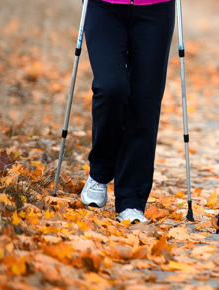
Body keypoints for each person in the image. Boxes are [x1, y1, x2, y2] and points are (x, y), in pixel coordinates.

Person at [77, 0, 175, 224]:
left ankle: (131, 200)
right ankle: (100, 172)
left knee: (145, 102)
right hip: (104, 6)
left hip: (156, 8)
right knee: (110, 88)